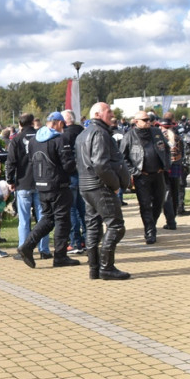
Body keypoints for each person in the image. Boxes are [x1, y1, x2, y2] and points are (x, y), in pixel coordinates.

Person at [75, 102, 132, 280]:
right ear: (98, 114)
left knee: (93, 227)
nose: (112, 114)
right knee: (116, 226)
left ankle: (95, 268)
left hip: (86, 185)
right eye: (108, 111)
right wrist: (115, 184)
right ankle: (106, 267)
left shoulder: (83, 134)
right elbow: (100, 163)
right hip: (99, 186)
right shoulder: (99, 133)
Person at [17, 112, 80, 269]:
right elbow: (67, 165)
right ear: (58, 123)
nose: (64, 127)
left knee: (48, 219)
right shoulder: (59, 139)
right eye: (62, 124)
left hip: (41, 186)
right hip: (59, 186)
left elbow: (32, 161)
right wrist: (77, 164)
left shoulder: (33, 141)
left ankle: (27, 245)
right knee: (62, 221)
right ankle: (60, 256)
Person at [120, 111, 170, 244]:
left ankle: (151, 225)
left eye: (149, 119)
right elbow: (123, 157)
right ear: (136, 122)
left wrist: (165, 165)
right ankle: (150, 231)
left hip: (158, 174)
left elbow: (166, 149)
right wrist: (135, 171)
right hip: (142, 176)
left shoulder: (156, 132)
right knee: (145, 205)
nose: (148, 122)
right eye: (145, 120)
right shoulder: (129, 136)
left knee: (159, 203)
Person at [6, 113, 51, 259]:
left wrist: (10, 180)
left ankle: (24, 248)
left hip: (23, 182)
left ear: (20, 124)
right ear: (32, 122)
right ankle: (44, 249)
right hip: (41, 181)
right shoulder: (41, 137)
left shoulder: (16, 139)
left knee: (24, 219)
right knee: (42, 217)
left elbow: (11, 162)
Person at [62, 109, 87, 254]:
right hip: (83, 173)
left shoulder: (66, 135)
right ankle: (87, 239)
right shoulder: (83, 132)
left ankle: (75, 242)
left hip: (71, 175)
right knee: (82, 209)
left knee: (71, 209)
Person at [159, 114, 182, 230]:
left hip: (165, 168)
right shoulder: (177, 137)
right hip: (176, 166)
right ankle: (174, 216)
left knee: (167, 193)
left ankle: (170, 219)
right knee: (175, 192)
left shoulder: (161, 138)